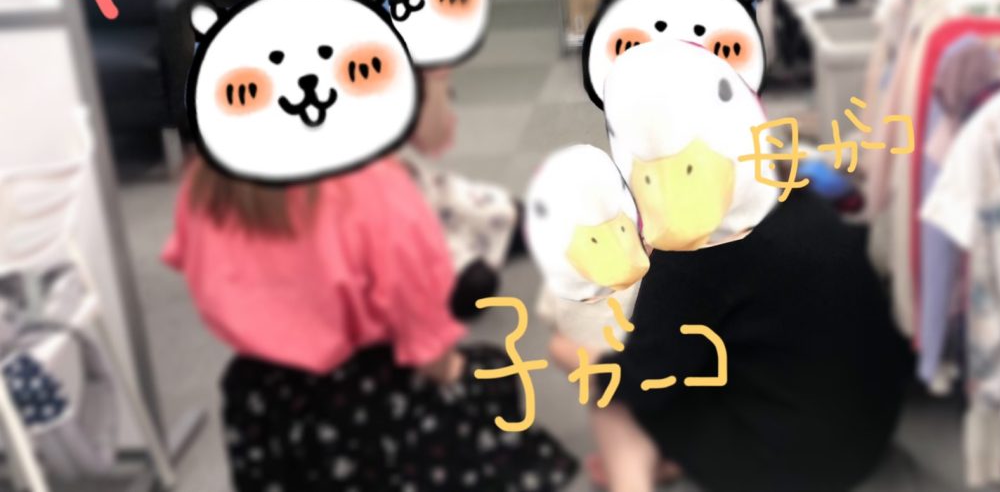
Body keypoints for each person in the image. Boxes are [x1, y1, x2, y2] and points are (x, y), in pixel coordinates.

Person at [553, 42, 910, 492]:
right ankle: (669, 456)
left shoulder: (696, 244)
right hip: (872, 429)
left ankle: (636, 479)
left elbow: (639, 380)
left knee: (606, 389)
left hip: (799, 466)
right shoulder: (791, 190)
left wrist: (569, 353)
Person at [163, 156, 576, 491]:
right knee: (497, 373)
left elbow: (189, 261)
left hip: (263, 400)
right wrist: (455, 373)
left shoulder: (205, 182)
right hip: (374, 399)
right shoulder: (377, 189)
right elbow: (429, 350)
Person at [403, 67, 524, 319]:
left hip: (416, 188)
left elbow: (431, 137)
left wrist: (435, 78)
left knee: (514, 215)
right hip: (366, 215)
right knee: (476, 285)